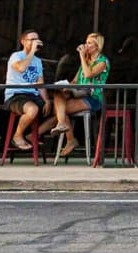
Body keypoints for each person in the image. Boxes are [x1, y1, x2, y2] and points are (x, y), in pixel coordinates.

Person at [41, 31, 110, 161]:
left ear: (97, 46)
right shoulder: (85, 62)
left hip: (92, 97)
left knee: (60, 110)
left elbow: (88, 74)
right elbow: (75, 81)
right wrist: (66, 86)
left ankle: (70, 138)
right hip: (78, 93)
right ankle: (64, 127)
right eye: (86, 42)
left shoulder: (103, 62)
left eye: (89, 43)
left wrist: (82, 57)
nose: (86, 45)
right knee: (58, 92)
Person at [4, 29, 49, 151]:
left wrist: (46, 100)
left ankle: (31, 136)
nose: (35, 42)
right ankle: (17, 136)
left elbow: (40, 83)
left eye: (37, 39)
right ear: (23, 41)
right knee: (32, 109)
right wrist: (32, 52)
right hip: (16, 94)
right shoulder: (16, 56)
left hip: (33, 95)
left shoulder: (38, 61)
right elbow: (21, 68)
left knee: (59, 113)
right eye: (32, 39)